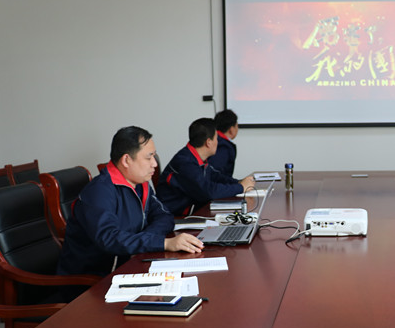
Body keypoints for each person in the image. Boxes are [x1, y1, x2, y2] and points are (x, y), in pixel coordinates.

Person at [58, 126, 204, 278]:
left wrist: (148, 240)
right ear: (126, 160)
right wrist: (163, 243)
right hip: (95, 281)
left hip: (131, 265)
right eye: (149, 157)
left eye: (154, 156)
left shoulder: (140, 183)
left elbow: (164, 216)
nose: (154, 164)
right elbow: (109, 238)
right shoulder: (98, 191)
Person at [157, 117, 255, 215]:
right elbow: (208, 191)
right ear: (208, 142)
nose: (218, 142)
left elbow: (215, 177)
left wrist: (238, 182)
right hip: (175, 217)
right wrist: (241, 187)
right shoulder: (185, 163)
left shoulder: (195, 157)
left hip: (192, 210)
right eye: (216, 138)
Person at [208, 109, 239, 179]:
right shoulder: (223, 146)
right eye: (237, 126)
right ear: (231, 129)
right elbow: (217, 175)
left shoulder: (216, 141)